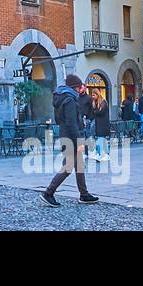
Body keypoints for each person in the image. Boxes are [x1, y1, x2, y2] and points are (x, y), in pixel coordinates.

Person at [39, 75, 99, 207]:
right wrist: (79, 142)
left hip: (66, 134)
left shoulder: (61, 98)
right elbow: (72, 123)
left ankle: (84, 194)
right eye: (79, 87)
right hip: (71, 137)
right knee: (68, 167)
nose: (80, 89)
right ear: (74, 87)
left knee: (79, 166)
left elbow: (60, 120)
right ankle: (48, 193)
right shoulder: (70, 100)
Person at [89, 95, 111, 161]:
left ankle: (103, 154)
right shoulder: (94, 103)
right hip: (98, 124)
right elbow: (93, 113)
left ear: (97, 94)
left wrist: (95, 111)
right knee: (100, 139)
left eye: (93, 95)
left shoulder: (103, 102)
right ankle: (101, 154)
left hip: (103, 124)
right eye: (92, 95)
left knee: (101, 139)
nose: (92, 96)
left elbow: (101, 112)